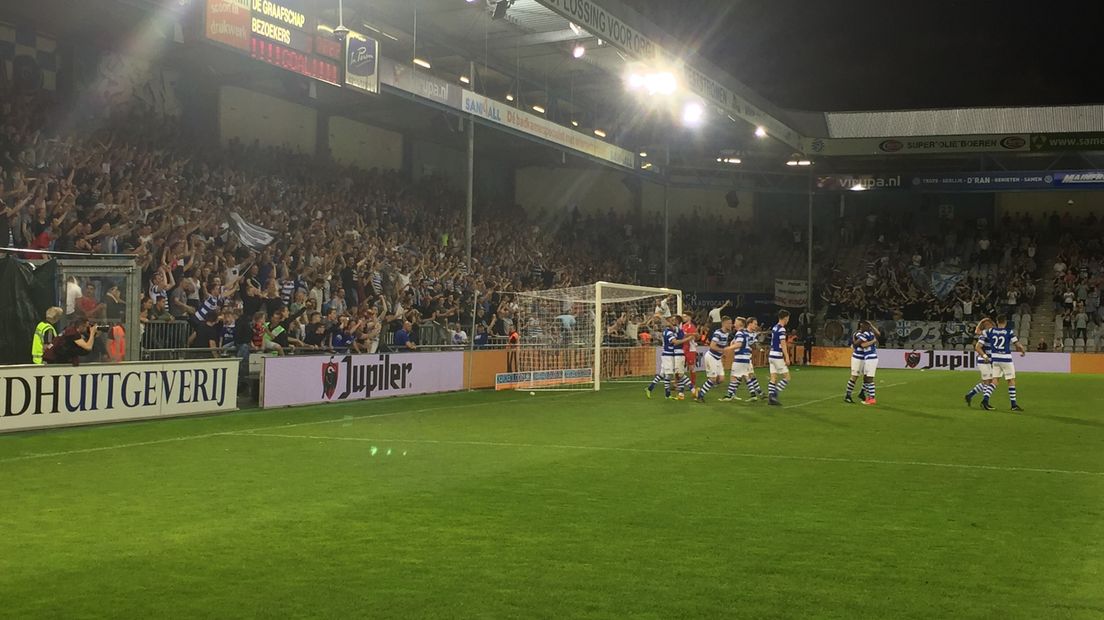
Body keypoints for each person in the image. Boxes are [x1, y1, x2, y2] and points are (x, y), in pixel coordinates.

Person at [979, 314, 1026, 411]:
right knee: (1011, 380)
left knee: (995, 381)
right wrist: (1022, 351)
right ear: (1005, 322)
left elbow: (980, 334)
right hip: (1006, 359)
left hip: (995, 359)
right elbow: (1017, 344)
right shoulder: (1009, 332)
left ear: (997, 322)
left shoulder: (990, 331)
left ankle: (985, 400)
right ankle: (1013, 404)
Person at [645, 315, 693, 400]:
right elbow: (675, 342)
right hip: (668, 355)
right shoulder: (668, 332)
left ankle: (651, 388)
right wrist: (688, 339)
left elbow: (677, 329)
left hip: (671, 355)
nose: (673, 322)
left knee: (663, 374)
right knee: (670, 374)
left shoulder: (674, 330)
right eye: (672, 320)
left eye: (674, 320)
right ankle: (690, 389)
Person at [721, 317, 764, 402]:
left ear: (740, 324)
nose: (734, 324)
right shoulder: (745, 333)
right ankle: (754, 394)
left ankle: (729, 395)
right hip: (746, 358)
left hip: (740, 358)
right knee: (746, 376)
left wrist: (727, 348)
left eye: (735, 322)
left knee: (734, 377)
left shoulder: (740, 332)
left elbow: (739, 344)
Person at [693, 316, 731, 403]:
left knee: (721, 379)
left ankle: (704, 388)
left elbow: (723, 345)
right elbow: (712, 346)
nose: (731, 325)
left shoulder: (727, 333)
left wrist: (723, 353)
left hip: (717, 358)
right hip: (711, 357)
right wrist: (723, 350)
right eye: (729, 323)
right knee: (713, 379)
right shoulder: (718, 333)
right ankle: (700, 395)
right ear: (724, 323)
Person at [844, 320, 880, 405]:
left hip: (866, 358)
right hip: (858, 358)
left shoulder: (867, 333)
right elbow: (859, 344)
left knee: (866, 377)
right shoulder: (858, 334)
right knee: (855, 376)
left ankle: (863, 393)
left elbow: (877, 335)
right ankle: (848, 395)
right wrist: (873, 341)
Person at [965, 318, 997, 407]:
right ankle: (985, 402)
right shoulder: (984, 335)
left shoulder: (992, 334)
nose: (988, 326)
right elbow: (977, 347)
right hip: (983, 360)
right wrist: (985, 356)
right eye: (986, 325)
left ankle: (970, 395)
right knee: (988, 381)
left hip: (989, 360)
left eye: (989, 324)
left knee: (986, 381)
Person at [768, 310, 792, 406]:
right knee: (787, 377)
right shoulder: (782, 329)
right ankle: (774, 394)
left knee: (773, 377)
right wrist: (787, 357)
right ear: (785, 317)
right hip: (777, 355)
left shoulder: (774, 327)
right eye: (788, 318)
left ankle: (771, 398)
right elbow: (783, 343)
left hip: (771, 355)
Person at [681, 312, 698, 389]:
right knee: (680, 366)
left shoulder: (692, 326)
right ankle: (678, 384)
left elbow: (692, 336)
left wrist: (685, 335)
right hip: (683, 347)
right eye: (683, 316)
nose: (683, 318)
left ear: (689, 317)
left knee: (691, 367)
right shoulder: (683, 326)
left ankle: (693, 383)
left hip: (690, 349)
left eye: (685, 316)